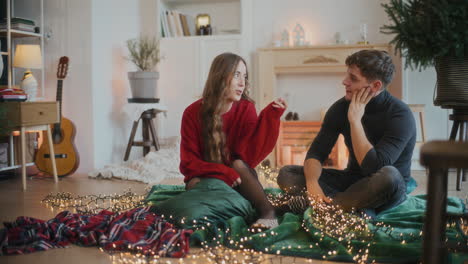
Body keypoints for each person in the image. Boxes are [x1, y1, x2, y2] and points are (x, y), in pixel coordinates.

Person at [277, 49, 416, 216]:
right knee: (287, 174)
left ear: (376, 85)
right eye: (347, 75)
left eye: (353, 79)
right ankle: (353, 208)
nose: (345, 82)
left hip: (386, 186)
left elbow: (374, 167)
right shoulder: (340, 108)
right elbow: (316, 153)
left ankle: (329, 207)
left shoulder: (400, 114)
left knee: (389, 175)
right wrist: (313, 184)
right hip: (352, 182)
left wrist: (355, 121)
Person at [179, 52, 287, 228]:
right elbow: (189, 163)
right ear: (220, 76)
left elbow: (249, 157)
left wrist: (270, 118)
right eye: (236, 75)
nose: (242, 83)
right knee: (194, 183)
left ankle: (268, 212)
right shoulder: (191, 113)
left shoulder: (246, 108)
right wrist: (222, 172)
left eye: (245, 76)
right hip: (208, 178)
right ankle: (242, 209)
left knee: (238, 164)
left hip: (239, 179)